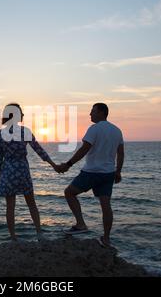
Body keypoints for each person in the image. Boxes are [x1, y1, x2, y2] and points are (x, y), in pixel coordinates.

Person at [59, 103, 124, 247]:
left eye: (92, 111)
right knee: (106, 205)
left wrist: (68, 164)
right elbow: (121, 153)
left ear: (101, 112)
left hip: (92, 172)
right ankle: (106, 239)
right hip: (108, 173)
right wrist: (118, 171)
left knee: (69, 193)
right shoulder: (116, 130)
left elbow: (84, 149)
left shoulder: (94, 129)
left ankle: (81, 224)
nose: (90, 114)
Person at [0, 103, 61, 242]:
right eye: (21, 113)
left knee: (10, 207)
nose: (23, 116)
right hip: (22, 171)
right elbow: (39, 150)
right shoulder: (25, 131)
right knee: (31, 203)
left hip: (8, 172)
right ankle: (39, 234)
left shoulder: (0, 134)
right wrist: (53, 164)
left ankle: (13, 237)